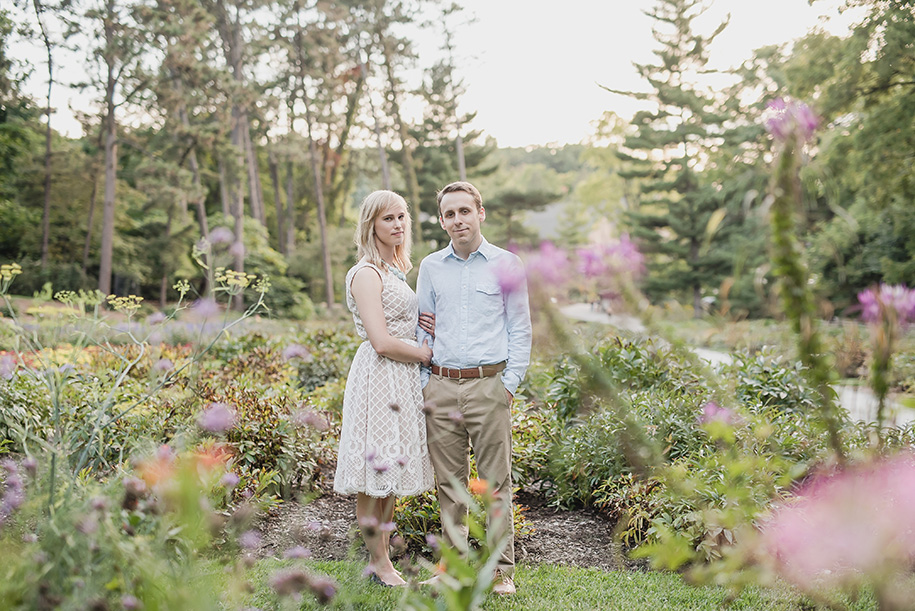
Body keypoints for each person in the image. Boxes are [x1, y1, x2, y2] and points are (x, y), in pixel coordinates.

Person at [416, 181, 532, 596]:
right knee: (449, 484)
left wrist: (510, 384)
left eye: (464, 211)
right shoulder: (430, 267)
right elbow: (421, 327)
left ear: (480, 213)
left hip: (489, 386)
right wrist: (426, 383)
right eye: (449, 214)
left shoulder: (507, 265)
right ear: (442, 220)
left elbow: (520, 328)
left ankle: (502, 571)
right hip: (442, 386)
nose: (457, 220)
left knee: (495, 483)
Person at [334, 190, 436, 587]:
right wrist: (424, 354)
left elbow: (398, 324)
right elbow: (380, 340)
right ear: (371, 225)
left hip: (401, 378)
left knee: (390, 468)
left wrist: (420, 321)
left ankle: (384, 556)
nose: (398, 225)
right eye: (388, 218)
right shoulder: (366, 274)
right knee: (373, 470)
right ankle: (379, 563)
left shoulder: (394, 272)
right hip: (379, 376)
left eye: (402, 217)